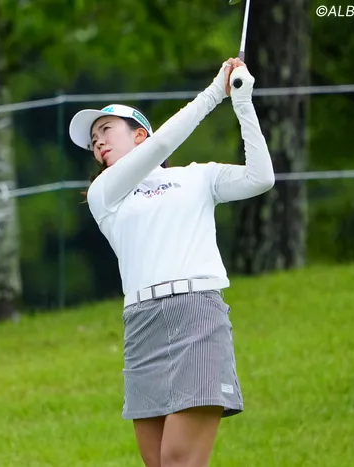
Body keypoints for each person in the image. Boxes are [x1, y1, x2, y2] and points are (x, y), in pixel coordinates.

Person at [68, 58, 274, 467]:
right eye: (93, 141)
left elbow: (261, 177)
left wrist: (241, 102)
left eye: (105, 130)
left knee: (178, 459)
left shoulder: (197, 177)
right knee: (158, 463)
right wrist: (213, 93)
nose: (97, 143)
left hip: (196, 314)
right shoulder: (105, 193)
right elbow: (163, 145)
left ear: (139, 134)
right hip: (141, 323)